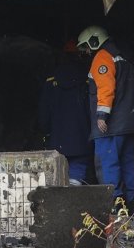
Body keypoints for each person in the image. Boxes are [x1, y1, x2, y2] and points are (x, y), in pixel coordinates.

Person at [77, 25, 134, 212]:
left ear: (94, 41)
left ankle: (115, 206)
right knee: (128, 165)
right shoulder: (123, 56)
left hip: (110, 128)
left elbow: (106, 88)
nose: (86, 51)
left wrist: (102, 116)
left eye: (86, 46)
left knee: (107, 165)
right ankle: (133, 204)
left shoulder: (102, 57)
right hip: (127, 124)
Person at [38, 40, 93, 186]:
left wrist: (45, 131)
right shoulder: (88, 79)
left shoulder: (51, 80)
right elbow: (91, 109)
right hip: (81, 137)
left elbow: (44, 111)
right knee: (76, 178)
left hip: (57, 138)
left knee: (57, 180)